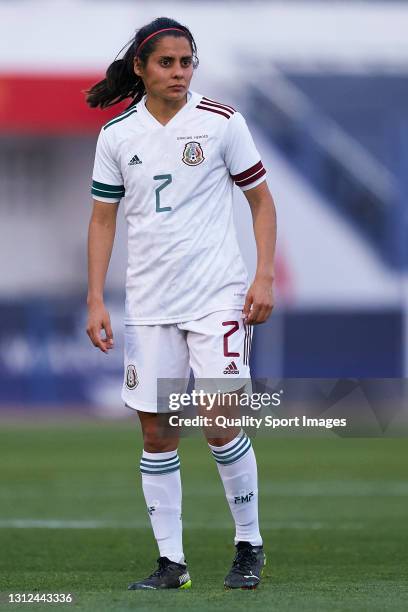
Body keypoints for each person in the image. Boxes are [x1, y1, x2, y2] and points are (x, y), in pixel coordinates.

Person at [85, 16, 276, 591]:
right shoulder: (118, 135)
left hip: (217, 295)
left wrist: (262, 275)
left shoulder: (221, 123)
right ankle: (172, 563)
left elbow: (261, 202)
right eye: (166, 62)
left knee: (219, 424)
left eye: (187, 61)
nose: (178, 72)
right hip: (148, 304)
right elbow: (102, 218)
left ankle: (249, 544)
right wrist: (95, 296)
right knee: (157, 434)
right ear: (141, 68)